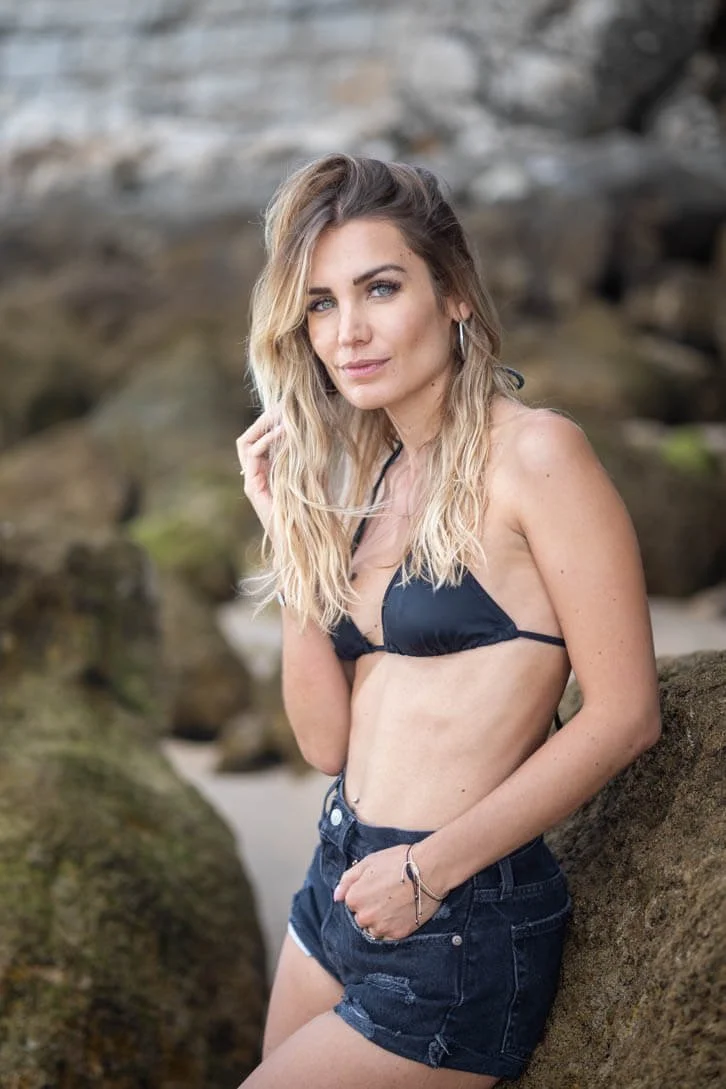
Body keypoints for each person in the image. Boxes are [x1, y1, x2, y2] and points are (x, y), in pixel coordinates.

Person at [235, 153, 661, 1088]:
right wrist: (292, 534)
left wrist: (426, 872)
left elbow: (626, 712)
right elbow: (322, 740)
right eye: (319, 303)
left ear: (454, 292)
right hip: (337, 878)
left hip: (456, 913)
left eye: (378, 288)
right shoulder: (375, 473)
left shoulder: (538, 455)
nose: (347, 332)